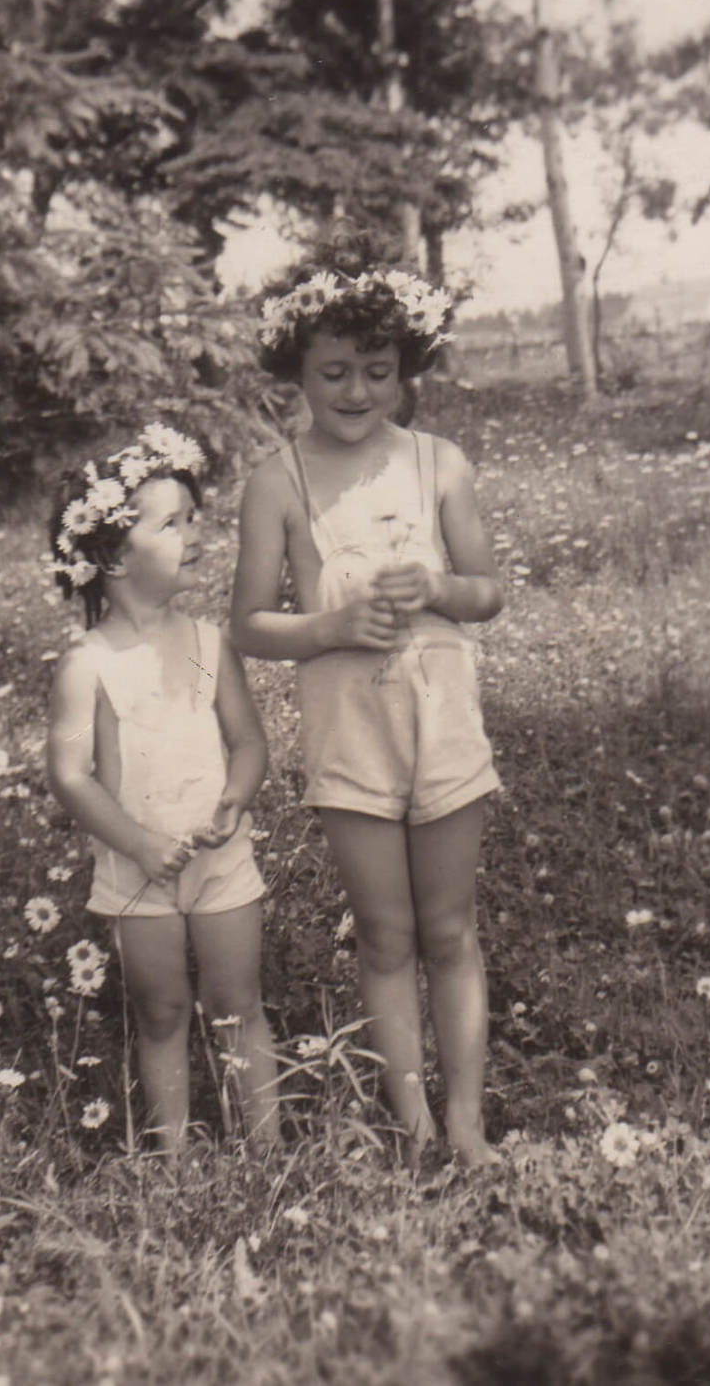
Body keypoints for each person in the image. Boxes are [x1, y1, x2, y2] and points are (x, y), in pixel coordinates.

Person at [229, 263, 503, 1168]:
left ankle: (465, 1119)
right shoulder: (278, 482)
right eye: (334, 369)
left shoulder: (440, 464)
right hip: (350, 733)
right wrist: (333, 625)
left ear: (407, 366)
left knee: (450, 928)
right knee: (386, 935)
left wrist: (438, 585)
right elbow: (249, 626)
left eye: (377, 368)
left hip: (443, 723)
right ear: (296, 370)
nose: (357, 389)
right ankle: (414, 1121)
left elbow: (487, 591)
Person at [45, 423, 279, 1159]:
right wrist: (140, 844)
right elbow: (70, 773)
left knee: (239, 1003)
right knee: (161, 1008)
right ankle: (173, 1158)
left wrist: (235, 798)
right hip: (136, 866)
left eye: (192, 518)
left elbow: (247, 742)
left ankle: (268, 1148)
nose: (193, 534)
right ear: (115, 554)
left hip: (219, 857)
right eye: (171, 523)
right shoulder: (88, 662)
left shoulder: (210, 643)